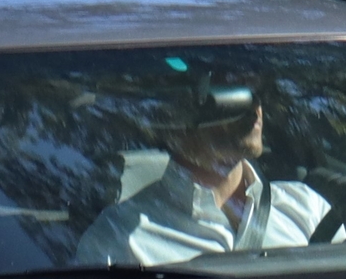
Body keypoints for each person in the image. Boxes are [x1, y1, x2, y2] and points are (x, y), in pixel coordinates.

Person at [75, 77, 329, 266]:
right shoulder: (118, 238)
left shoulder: (306, 207)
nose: (253, 106)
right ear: (175, 120)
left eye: (256, 92)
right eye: (230, 92)